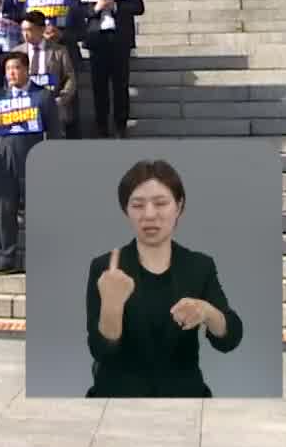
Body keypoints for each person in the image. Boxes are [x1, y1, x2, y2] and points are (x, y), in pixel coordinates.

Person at [87, 159, 244, 398]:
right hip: (119, 399)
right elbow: (102, 352)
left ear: (179, 206)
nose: (149, 215)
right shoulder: (106, 268)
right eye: (137, 205)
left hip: (185, 397)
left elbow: (230, 338)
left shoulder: (199, 266)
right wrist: (112, 306)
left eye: (161, 203)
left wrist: (206, 312)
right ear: (125, 210)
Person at [0, 51, 59, 274]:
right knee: (5, 210)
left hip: (33, 155)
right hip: (5, 158)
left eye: (16, 68)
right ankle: (7, 257)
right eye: (8, 69)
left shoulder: (42, 96)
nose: (12, 73)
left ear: (27, 69)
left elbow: (55, 130)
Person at [82, 0, 145, 138]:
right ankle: (101, 125)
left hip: (120, 40)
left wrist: (117, 6)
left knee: (120, 85)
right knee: (99, 86)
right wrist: (96, 8)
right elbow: (80, 11)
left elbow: (138, 7)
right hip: (97, 40)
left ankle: (120, 124)